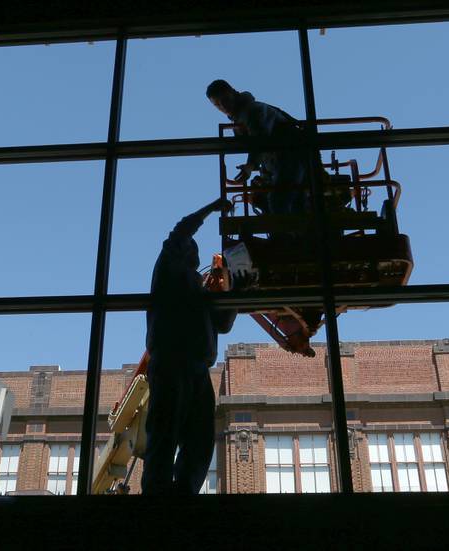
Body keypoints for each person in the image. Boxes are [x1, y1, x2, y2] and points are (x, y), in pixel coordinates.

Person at [141, 198, 238, 495]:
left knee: (199, 437)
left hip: (197, 368)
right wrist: (211, 208)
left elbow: (223, 324)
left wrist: (228, 291)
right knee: (165, 432)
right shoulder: (168, 269)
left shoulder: (201, 287)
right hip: (171, 363)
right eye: (191, 248)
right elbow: (180, 231)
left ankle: (184, 491)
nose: (194, 252)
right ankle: (157, 493)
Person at [206, 79, 308, 216]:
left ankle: (285, 236)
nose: (223, 106)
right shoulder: (245, 113)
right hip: (284, 159)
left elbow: (260, 140)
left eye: (225, 99)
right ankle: (297, 234)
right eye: (217, 104)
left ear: (233, 93)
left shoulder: (251, 111)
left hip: (290, 156)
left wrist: (251, 165)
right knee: (294, 203)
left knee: (278, 201)